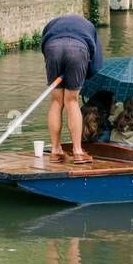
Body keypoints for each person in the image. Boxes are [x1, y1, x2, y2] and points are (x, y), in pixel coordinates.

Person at [41, 15, 104, 164]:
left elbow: (45, 49)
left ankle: (56, 150)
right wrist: (81, 75)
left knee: (56, 101)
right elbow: (96, 66)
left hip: (52, 49)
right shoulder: (90, 27)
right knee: (71, 101)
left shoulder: (51, 23)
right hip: (78, 50)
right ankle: (78, 152)